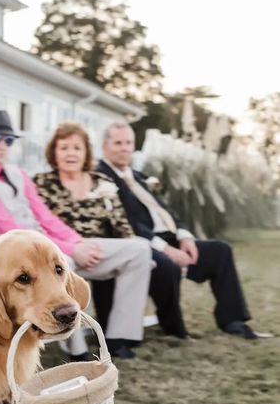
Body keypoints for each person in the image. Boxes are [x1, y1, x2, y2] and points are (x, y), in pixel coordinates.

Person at [0, 110, 152, 359]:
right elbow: (9, 229)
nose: (2, 145)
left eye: (9, 139)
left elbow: (45, 216)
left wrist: (77, 242)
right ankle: (77, 350)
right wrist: (69, 251)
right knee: (61, 265)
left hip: (46, 246)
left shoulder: (19, 174)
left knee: (138, 251)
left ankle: (117, 337)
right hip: (9, 257)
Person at [96, 121, 260, 340]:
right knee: (168, 265)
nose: (125, 148)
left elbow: (166, 211)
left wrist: (185, 236)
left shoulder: (138, 176)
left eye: (128, 142)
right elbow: (126, 223)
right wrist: (167, 249)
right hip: (140, 243)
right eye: (118, 143)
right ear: (105, 146)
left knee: (220, 251)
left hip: (170, 237)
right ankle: (174, 328)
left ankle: (233, 320)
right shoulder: (101, 177)